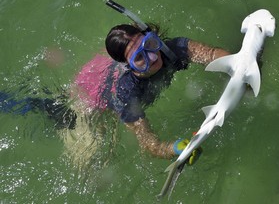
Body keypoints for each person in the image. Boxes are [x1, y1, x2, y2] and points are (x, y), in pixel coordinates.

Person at [70, 23, 230, 165]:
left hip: (106, 71)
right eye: (140, 57)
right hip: (88, 96)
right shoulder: (127, 93)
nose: (153, 56)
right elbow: (149, 144)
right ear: (128, 66)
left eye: (149, 44)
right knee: (90, 159)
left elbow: (213, 55)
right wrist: (174, 148)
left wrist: (237, 64)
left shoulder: (171, 49)